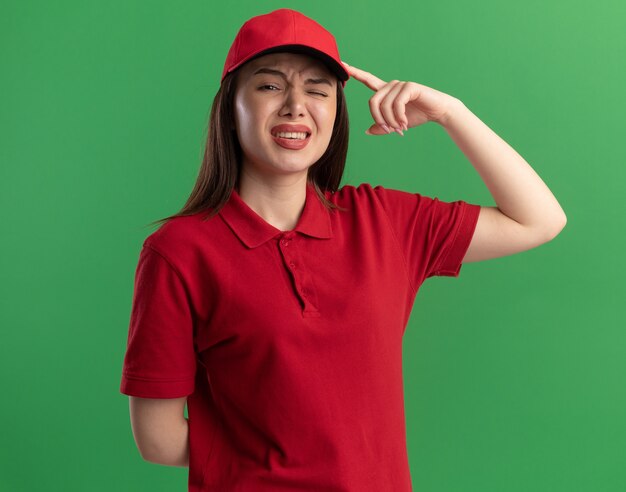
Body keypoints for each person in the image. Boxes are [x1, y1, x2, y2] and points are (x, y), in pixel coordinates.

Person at [119, 8, 566, 492]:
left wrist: (449, 113)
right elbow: (158, 440)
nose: (295, 106)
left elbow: (539, 219)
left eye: (317, 89)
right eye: (269, 86)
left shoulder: (386, 222)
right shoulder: (178, 252)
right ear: (231, 106)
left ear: (336, 111)